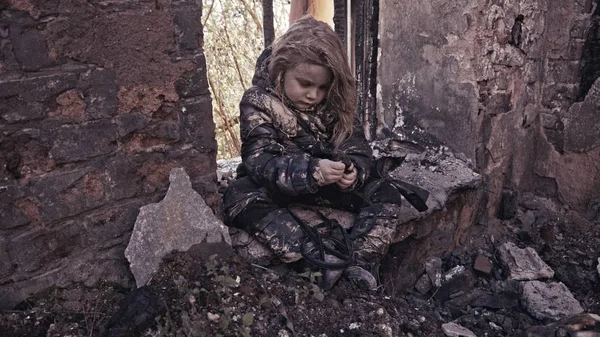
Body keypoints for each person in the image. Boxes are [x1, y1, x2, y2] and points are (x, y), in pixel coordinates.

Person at [223, 16, 406, 291]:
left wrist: (352, 171)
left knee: (385, 193)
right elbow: (260, 160)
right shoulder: (258, 101)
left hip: (326, 185)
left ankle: (359, 263)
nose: (313, 95)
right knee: (239, 196)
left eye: (321, 87)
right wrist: (311, 171)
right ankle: (315, 259)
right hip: (279, 184)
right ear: (281, 71)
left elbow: (355, 144)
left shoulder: (335, 101)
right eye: (305, 83)